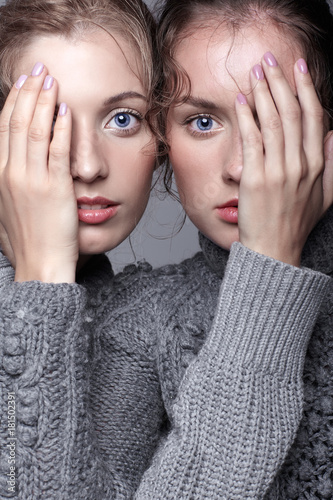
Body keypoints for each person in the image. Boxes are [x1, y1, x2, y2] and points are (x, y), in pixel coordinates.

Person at [0, 1, 332, 500]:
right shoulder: (138, 322)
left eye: (273, 121)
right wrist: (270, 273)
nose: (241, 167)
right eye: (202, 122)